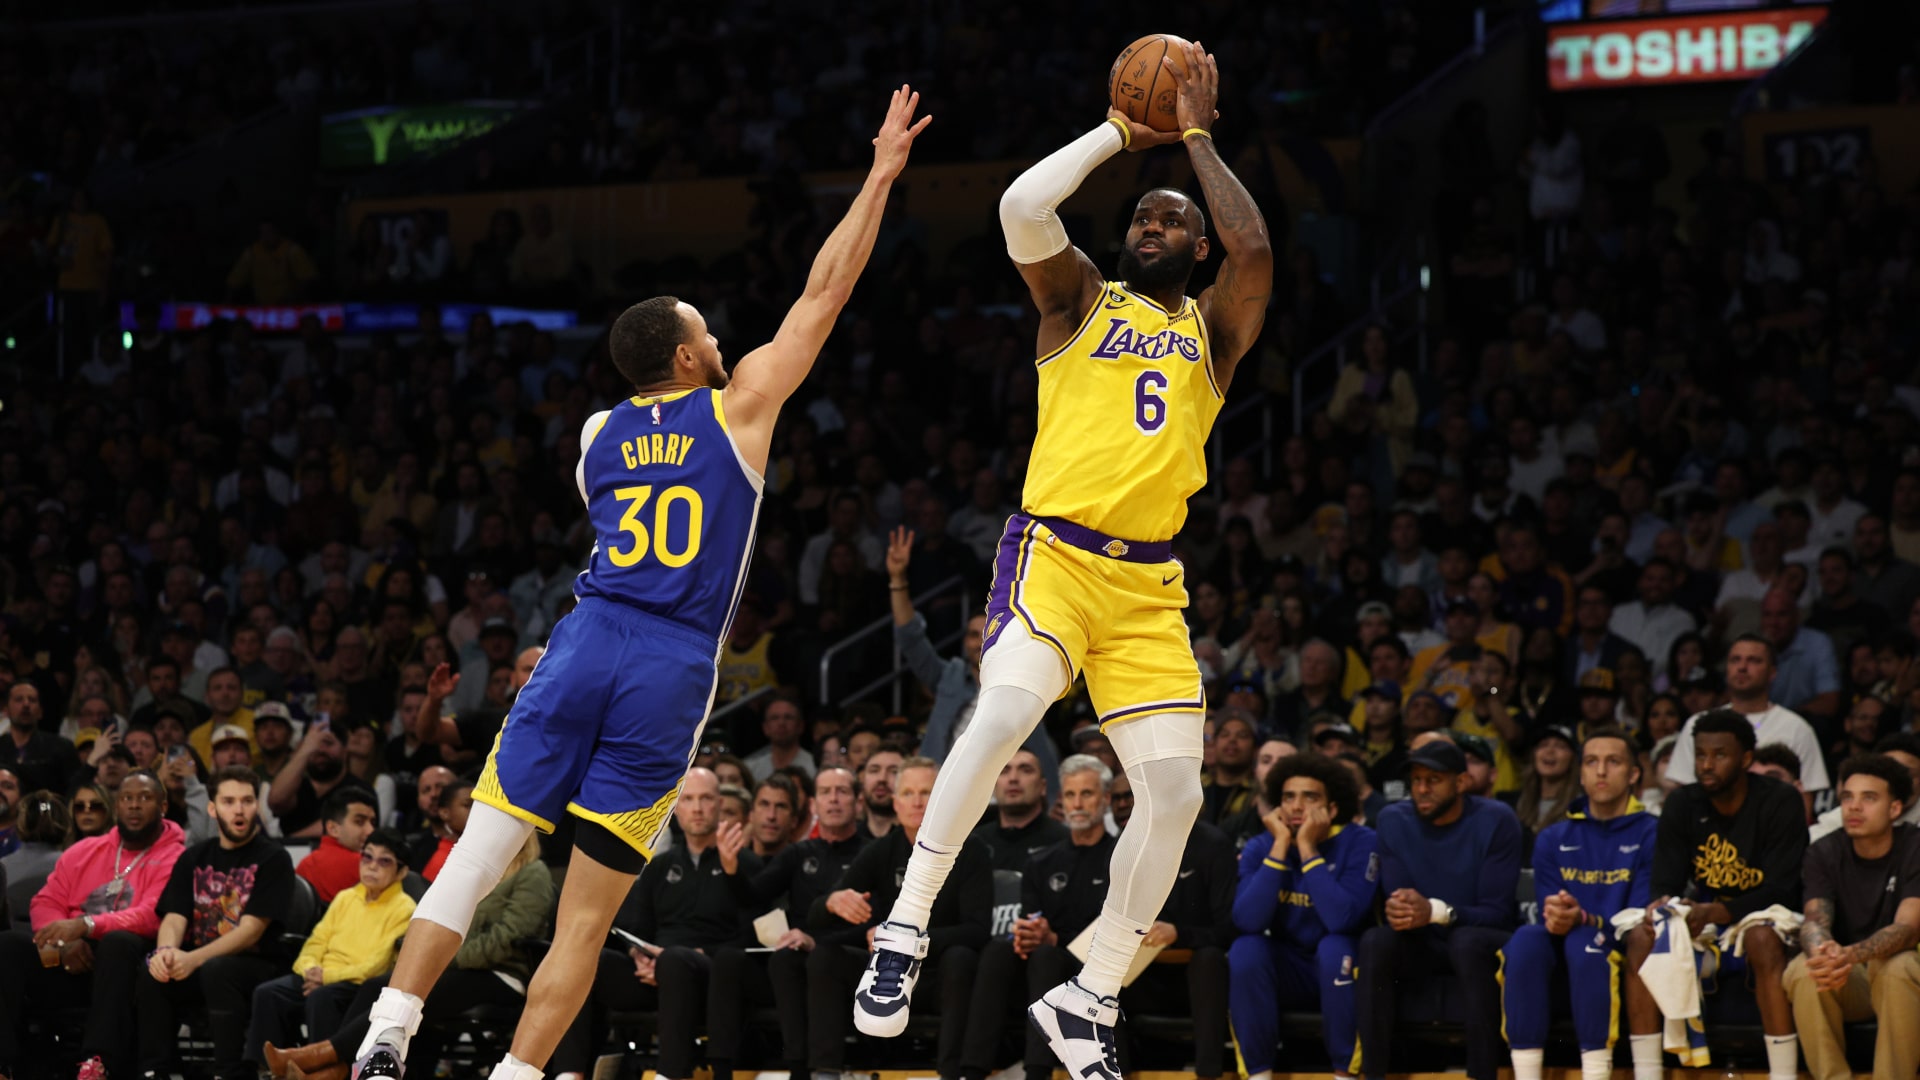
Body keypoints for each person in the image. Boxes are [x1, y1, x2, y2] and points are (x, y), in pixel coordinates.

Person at [352, 87, 932, 1080]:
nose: (720, 341)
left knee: (480, 855)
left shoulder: (595, 436)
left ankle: (390, 1026)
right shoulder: (742, 407)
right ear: (684, 355)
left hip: (585, 639)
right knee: (585, 922)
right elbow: (822, 295)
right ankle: (518, 1076)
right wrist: (879, 174)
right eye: (707, 333)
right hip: (668, 666)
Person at [855, 46, 1272, 1080]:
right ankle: (905, 930)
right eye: (1140, 217)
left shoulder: (1213, 332)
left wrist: (1201, 141)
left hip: (1146, 587)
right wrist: (1125, 135)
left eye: (1170, 220)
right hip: (1054, 555)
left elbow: (1255, 248)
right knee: (999, 718)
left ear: (1196, 249)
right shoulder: (1079, 303)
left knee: (1175, 797)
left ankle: (1090, 997)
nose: (1150, 227)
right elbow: (1020, 208)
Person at [1625, 710, 1808, 1080]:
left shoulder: (1780, 800)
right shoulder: (1682, 804)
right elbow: (1665, 882)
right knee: (1642, 937)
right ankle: (1647, 1074)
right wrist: (1663, 906)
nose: (1707, 764)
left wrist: (1715, 912)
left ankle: (1783, 1075)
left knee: (1760, 937)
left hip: (1771, 915)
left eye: (1719, 755)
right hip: (1710, 918)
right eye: (1700, 754)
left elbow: (1783, 888)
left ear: (1745, 759)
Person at [813, 756, 989, 1079]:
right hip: (885, 975)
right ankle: (826, 1069)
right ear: (895, 803)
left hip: (938, 974)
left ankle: (951, 1072)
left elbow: (978, 931)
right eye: (908, 793)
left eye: (928, 792)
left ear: (943, 798)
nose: (918, 801)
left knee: (961, 958)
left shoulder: (972, 849)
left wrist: (904, 942)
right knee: (825, 957)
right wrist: (832, 901)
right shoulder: (881, 850)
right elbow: (816, 919)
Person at [1356, 740, 1521, 1080]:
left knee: (1466, 942)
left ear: (1461, 783)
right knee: (1376, 941)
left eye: (1434, 780)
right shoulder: (1392, 820)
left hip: (1481, 940)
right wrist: (1401, 910)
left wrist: (1435, 911)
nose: (1422, 789)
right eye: (1416, 780)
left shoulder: (1497, 820)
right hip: (1423, 943)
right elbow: (1401, 902)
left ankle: (1482, 1074)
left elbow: (1498, 911)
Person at [0, 771, 182, 1080]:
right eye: (126, 798)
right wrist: (63, 941)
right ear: (116, 806)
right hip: (72, 958)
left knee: (119, 941)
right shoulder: (83, 852)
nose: (134, 806)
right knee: (8, 945)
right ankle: (4, 1063)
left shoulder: (176, 856)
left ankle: (98, 1061)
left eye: (145, 798)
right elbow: (45, 902)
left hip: (133, 968)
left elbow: (152, 916)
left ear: (163, 807)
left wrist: (86, 926)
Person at [1500, 729, 1658, 1080]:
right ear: (1582, 774)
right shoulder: (1554, 837)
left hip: (1620, 946)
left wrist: (1583, 919)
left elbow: (1638, 917)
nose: (1601, 771)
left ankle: (1595, 1073)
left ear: (1633, 774)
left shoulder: (1651, 832)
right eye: (1591, 762)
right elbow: (1550, 910)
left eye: (1613, 762)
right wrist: (1560, 915)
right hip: (1568, 940)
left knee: (1584, 941)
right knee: (1525, 939)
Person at [960, 755, 1116, 1080]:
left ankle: (1037, 1073)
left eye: (1086, 794)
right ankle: (971, 1071)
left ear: (1106, 800)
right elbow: (1032, 917)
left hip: (1095, 968)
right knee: (999, 949)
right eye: (1070, 795)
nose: (1077, 803)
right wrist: (1028, 932)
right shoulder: (1042, 862)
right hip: (1041, 966)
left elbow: (1113, 927)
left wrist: (1055, 938)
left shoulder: (1121, 858)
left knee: (1046, 955)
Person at [136, 766, 296, 1080]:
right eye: (229, 801)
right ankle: (156, 1070)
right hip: (199, 964)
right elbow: (173, 915)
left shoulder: (274, 858)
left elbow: (251, 931)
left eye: (247, 801)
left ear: (256, 806)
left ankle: (229, 1072)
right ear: (212, 808)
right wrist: (166, 953)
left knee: (218, 969)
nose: (239, 809)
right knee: (152, 969)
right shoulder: (193, 857)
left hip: (256, 965)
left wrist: (193, 959)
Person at [1229, 753, 1378, 1079]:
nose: (1297, 806)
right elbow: (1247, 920)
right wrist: (1282, 844)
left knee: (1334, 946)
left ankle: (1346, 1073)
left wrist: (1308, 849)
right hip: (1290, 969)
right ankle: (1257, 1074)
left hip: (1343, 964)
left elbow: (1342, 919)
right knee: (1246, 949)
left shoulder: (1360, 842)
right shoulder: (1261, 845)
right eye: (1288, 797)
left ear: (1333, 809)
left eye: (1310, 797)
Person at [889, 526, 1059, 787]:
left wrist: (1053, 798)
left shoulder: (1021, 682)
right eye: (972, 634)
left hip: (1003, 800)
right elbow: (911, 639)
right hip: (942, 792)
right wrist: (898, 579)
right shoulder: (949, 675)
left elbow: (1041, 749)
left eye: (987, 632)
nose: (979, 641)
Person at [1785, 754, 1920, 1080]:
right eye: (1848, 797)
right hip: (1849, 975)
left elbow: (1907, 929)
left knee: (1897, 967)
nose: (1854, 807)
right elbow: (1815, 920)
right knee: (1805, 968)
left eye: (1869, 798)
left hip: (1903, 977)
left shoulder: (1915, 846)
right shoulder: (1823, 851)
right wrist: (1823, 954)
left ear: (1895, 809)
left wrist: (1849, 954)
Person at [248, 830, 415, 1074]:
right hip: (320, 976)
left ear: (401, 872)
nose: (371, 867)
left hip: (357, 984)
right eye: (367, 858)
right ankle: (265, 1070)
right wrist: (310, 970)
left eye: (384, 861)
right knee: (268, 993)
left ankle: (321, 1070)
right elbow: (316, 942)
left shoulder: (405, 908)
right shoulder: (346, 897)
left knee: (322, 997)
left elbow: (375, 966)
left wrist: (326, 977)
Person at [1664, 634, 1829, 819]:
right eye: (1735, 660)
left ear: (1772, 672)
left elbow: (1805, 800)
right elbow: (1679, 792)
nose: (1742, 667)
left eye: (1754, 661)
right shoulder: (1700, 724)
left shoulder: (1797, 729)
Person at [298, 788, 380, 902]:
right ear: (333, 828)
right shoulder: (367, 865)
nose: (371, 830)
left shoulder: (304, 865)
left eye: (373, 823)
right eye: (359, 822)